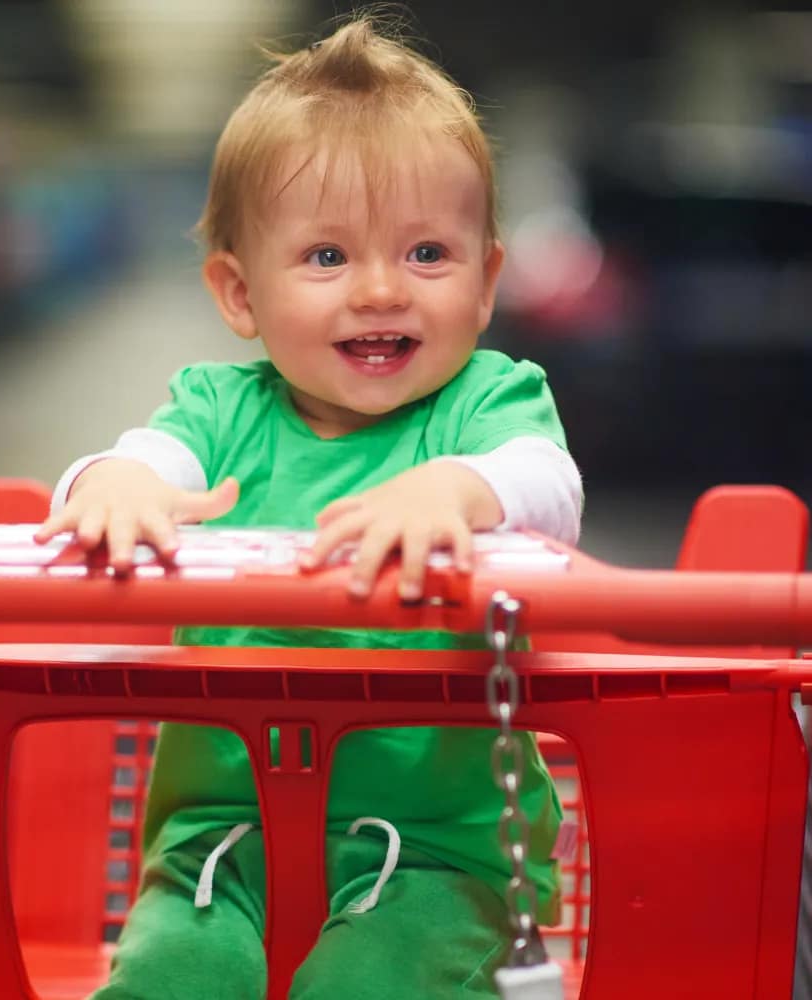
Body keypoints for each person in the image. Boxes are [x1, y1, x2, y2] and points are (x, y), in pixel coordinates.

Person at [37, 16, 582, 1000]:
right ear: (238, 294)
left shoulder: (489, 403)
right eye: (326, 259)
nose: (379, 291)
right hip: (220, 839)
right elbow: (132, 463)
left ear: (488, 279)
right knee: (169, 976)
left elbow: (548, 488)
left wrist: (460, 488)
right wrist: (111, 487)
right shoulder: (214, 408)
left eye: (426, 253)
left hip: (440, 851)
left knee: (364, 985)